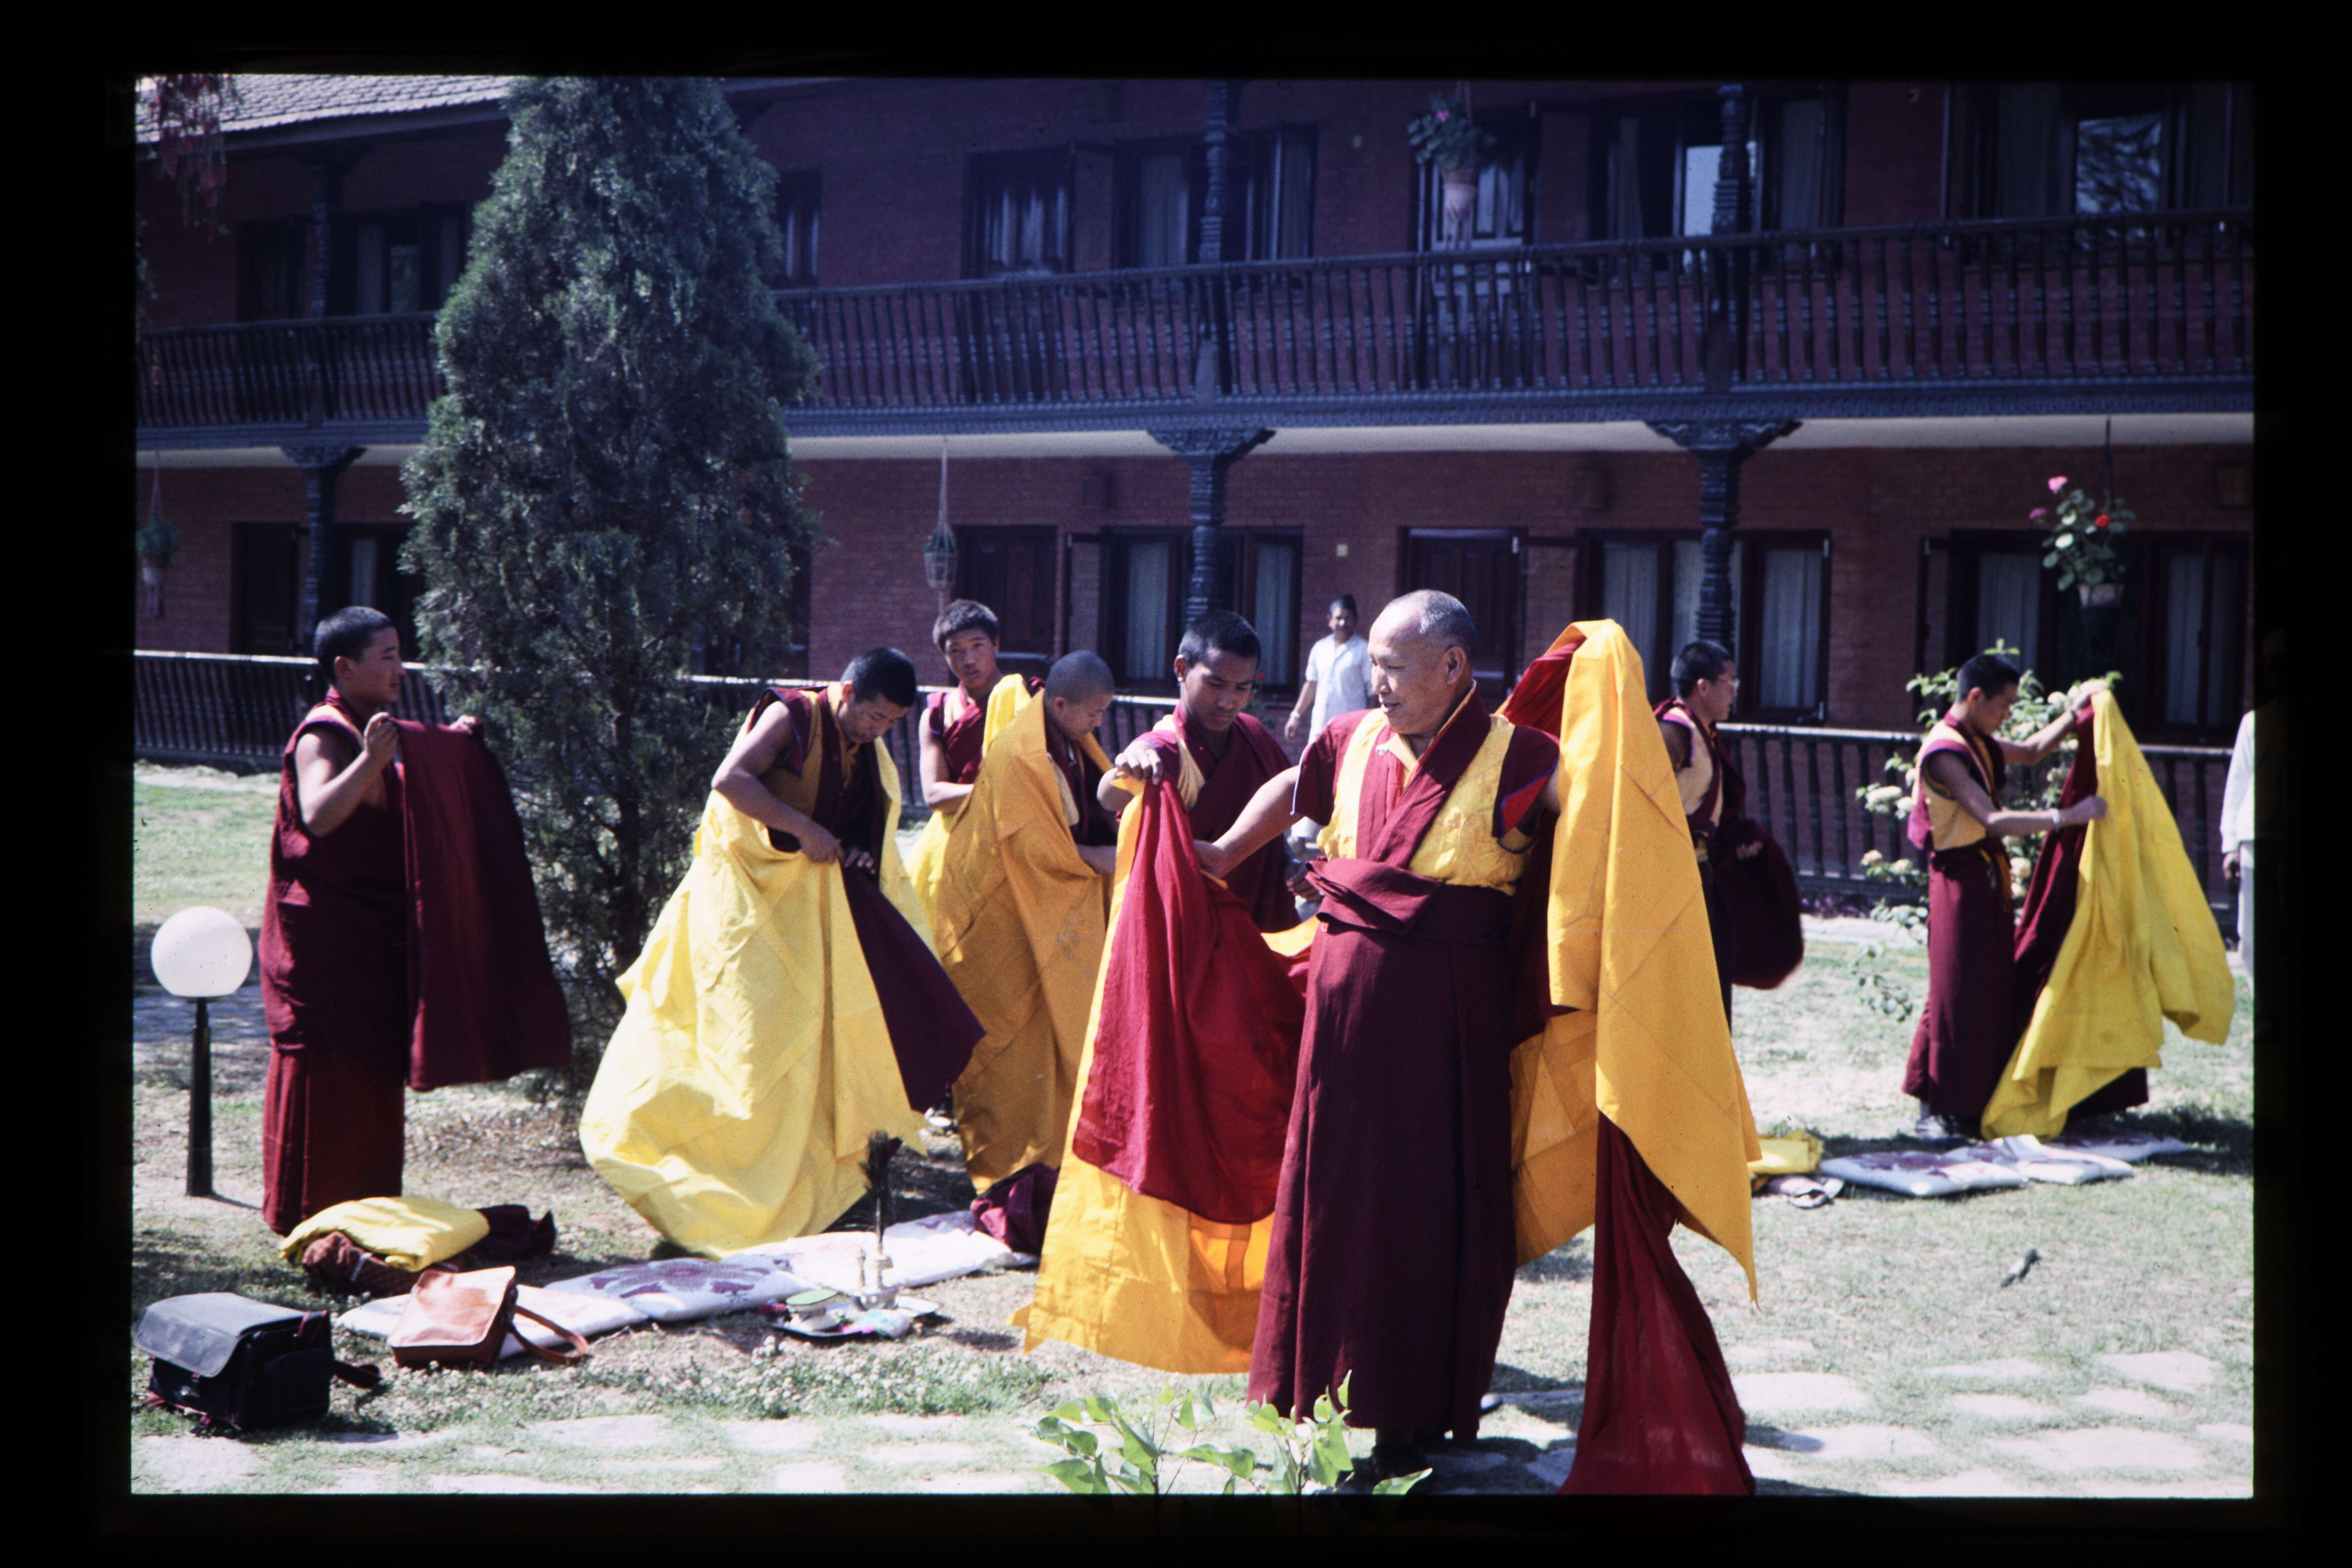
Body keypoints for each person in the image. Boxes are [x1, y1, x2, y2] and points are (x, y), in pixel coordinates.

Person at [1194, 591, 1565, 1479]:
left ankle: (1417, 1414)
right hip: (1345, 1019)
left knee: (1432, 1205)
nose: (1378, 683)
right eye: (1374, 667)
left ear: (1453, 666)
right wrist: (1224, 851)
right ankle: (1327, 1391)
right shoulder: (1350, 736)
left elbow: (1597, 830)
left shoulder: (1521, 756)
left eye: (1395, 667)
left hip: (1449, 1020)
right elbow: (1295, 789)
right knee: (1338, 1199)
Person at [579, 649, 983, 1257]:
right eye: (873, 715)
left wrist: (851, 849)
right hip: (748, 913)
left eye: (890, 723)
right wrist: (803, 828)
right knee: (747, 1051)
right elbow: (730, 780)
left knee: (854, 1035)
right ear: (847, 692)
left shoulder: (864, 749)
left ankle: (814, 1191)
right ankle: (706, 1195)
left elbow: (852, 827)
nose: (877, 731)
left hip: (811, 917)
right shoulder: (793, 715)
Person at [259, 607, 570, 1234]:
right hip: (325, 940)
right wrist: (372, 760)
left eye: (400, 654)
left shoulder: (371, 729)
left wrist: (448, 746)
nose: (400, 668)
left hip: (371, 934)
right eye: (387, 656)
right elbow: (319, 814)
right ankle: (311, 1215)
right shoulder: (324, 731)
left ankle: (369, 1210)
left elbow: (400, 790)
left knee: (372, 1074)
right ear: (345, 667)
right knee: (331, 1071)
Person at [933, 650, 1121, 1199]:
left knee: (1056, 1042)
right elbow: (1032, 847)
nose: (1099, 723)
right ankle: (1010, 1173)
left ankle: (1058, 1164)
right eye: (1094, 712)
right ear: (1061, 704)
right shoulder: (1021, 752)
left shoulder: (1068, 737)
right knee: (1013, 1049)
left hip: (1050, 911)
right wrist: (1097, 856)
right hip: (1005, 917)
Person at [1901, 653, 2108, 1141]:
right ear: (1975, 698)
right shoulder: (1946, 750)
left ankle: (1968, 1100)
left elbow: (2032, 751)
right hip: (1958, 880)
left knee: (1984, 985)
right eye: (2003, 706)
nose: (2006, 716)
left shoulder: (1976, 738)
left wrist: (2074, 712)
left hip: (1986, 876)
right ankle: (1936, 1107)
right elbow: (1992, 820)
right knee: (1953, 990)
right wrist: (2068, 816)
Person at [1099, 610, 1298, 932]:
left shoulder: (1254, 734)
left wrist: (1289, 863)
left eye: (1242, 688)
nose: (1228, 702)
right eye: (1216, 684)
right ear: (1182, 669)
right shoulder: (1164, 747)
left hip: (1260, 928)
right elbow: (1108, 797)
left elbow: (1271, 820)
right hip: (1191, 928)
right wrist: (1129, 763)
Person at [1655, 642, 1804, 1022]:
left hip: (1701, 874)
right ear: (1703, 687)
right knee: (1682, 995)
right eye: (1730, 682)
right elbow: (1639, 800)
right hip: (1671, 880)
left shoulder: (1704, 732)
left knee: (1711, 988)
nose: (1735, 692)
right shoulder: (1674, 731)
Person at [906, 600, 1037, 928]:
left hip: (1016, 843)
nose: (968, 659)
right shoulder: (938, 713)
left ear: (996, 644)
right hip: (954, 846)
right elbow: (935, 795)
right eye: (956, 651)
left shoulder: (1028, 700)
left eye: (977, 646)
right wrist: (1000, 791)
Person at [1283, 596, 1374, 879]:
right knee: (1313, 775)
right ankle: (1300, 836)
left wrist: (1374, 726)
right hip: (1321, 728)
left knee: (1347, 780)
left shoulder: (1363, 651)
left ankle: (1341, 839)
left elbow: (1372, 692)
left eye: (1349, 618)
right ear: (1330, 620)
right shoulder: (1320, 649)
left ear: (1356, 621)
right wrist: (1296, 715)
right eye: (1339, 617)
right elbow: (1311, 684)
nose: (1343, 622)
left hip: (1352, 729)